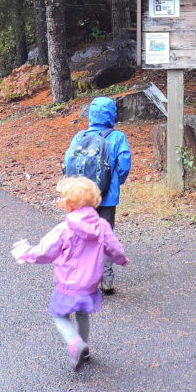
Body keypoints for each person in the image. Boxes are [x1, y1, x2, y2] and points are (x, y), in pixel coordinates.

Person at [12, 177, 128, 370]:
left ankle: (75, 343)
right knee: (82, 314)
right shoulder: (102, 226)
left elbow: (45, 251)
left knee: (59, 315)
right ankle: (85, 347)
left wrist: (26, 253)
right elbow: (115, 248)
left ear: (68, 205)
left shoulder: (64, 228)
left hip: (68, 283)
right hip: (90, 283)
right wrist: (121, 259)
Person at [64, 96, 131, 293]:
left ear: (91, 114)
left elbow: (69, 162)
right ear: (112, 114)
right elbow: (124, 164)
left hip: (82, 197)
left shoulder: (80, 137)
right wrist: (116, 182)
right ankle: (106, 279)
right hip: (107, 197)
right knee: (105, 234)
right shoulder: (117, 137)